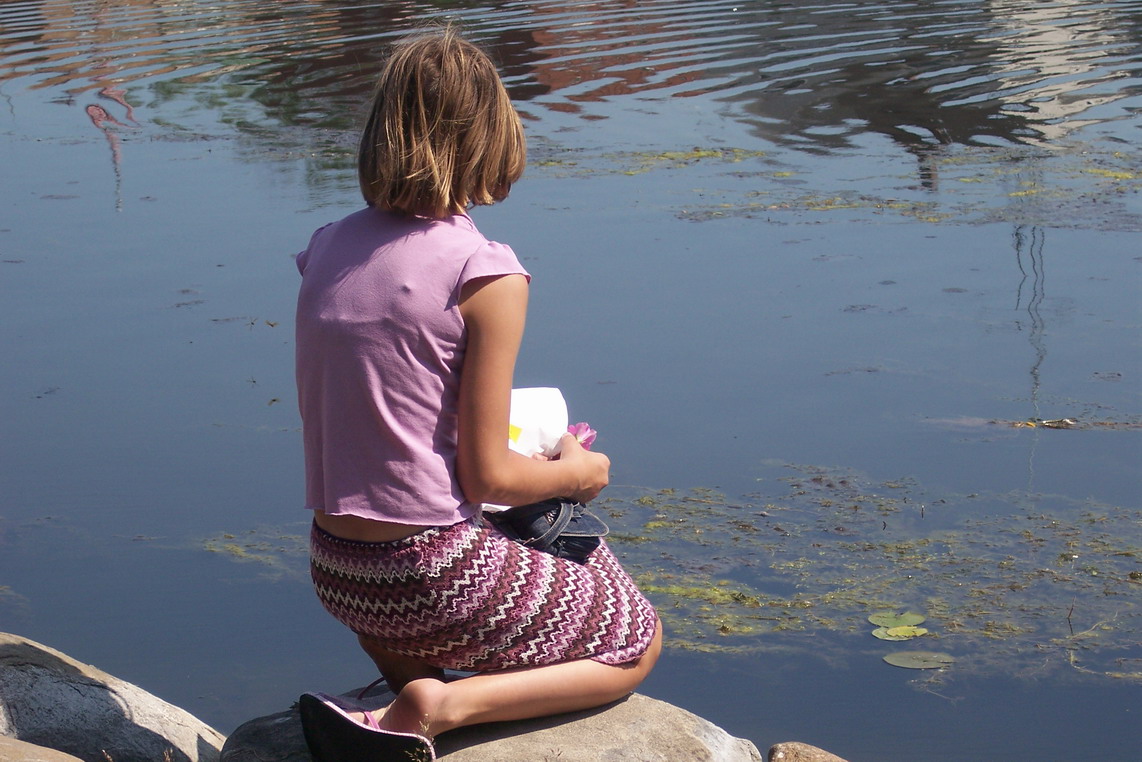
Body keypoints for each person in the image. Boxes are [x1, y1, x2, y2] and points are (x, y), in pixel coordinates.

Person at [293, 25, 661, 761]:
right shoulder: (484, 272)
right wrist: (576, 473)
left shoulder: (326, 247)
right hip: (429, 573)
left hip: (340, 572)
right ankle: (442, 705)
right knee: (635, 638)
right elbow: (489, 477)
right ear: (491, 137)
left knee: (465, 568)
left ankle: (407, 689)